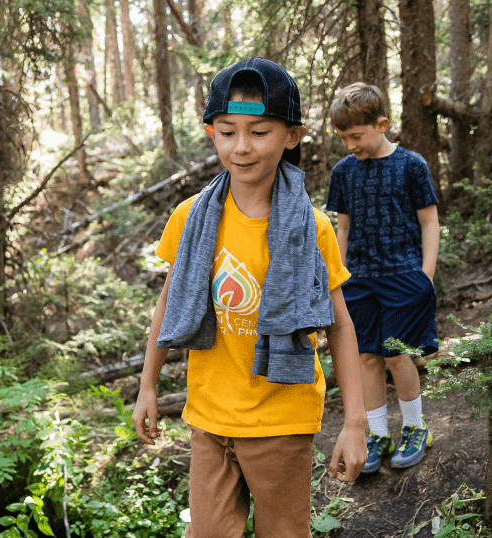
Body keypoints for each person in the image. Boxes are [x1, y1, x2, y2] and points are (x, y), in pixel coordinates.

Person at [131, 57, 368, 537]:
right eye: (227, 131)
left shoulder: (312, 228)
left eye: (259, 132)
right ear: (210, 131)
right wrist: (148, 386)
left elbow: (340, 324)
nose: (241, 147)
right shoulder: (191, 218)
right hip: (209, 417)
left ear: (292, 136)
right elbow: (168, 305)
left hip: (281, 420)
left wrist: (356, 423)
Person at [324, 82, 439, 473]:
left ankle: (415, 426)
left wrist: (426, 276)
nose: (349, 145)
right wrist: (337, 279)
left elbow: (429, 221)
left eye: (355, 136)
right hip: (358, 279)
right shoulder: (343, 172)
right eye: (342, 138)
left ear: (381, 124)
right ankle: (376, 433)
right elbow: (342, 228)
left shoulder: (411, 165)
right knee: (366, 356)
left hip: (403, 275)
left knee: (395, 352)